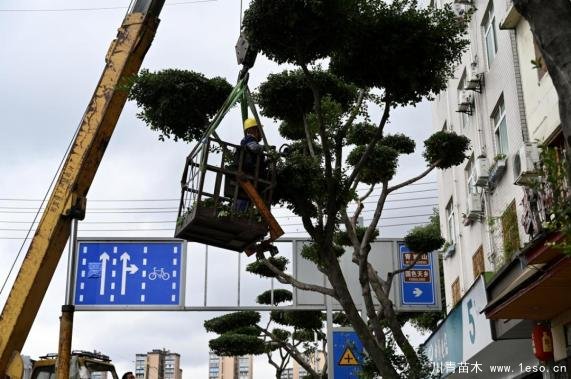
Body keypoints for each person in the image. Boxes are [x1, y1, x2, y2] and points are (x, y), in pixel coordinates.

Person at [235, 117, 266, 211]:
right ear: (253, 129)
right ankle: (239, 214)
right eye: (259, 130)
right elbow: (253, 148)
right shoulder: (249, 139)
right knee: (245, 197)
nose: (261, 133)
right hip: (248, 173)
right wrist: (265, 148)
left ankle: (240, 213)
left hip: (248, 172)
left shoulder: (249, 140)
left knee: (246, 198)